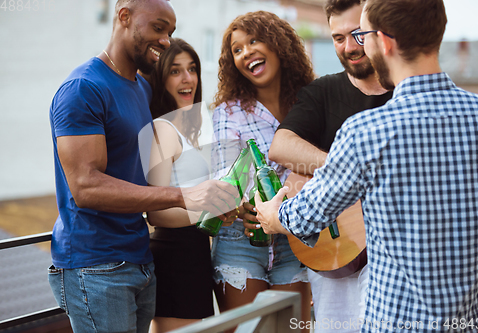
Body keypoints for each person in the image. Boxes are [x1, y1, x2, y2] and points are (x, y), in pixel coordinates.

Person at [256, 0, 478, 332]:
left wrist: (273, 216)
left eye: (364, 34)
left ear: (383, 41)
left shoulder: (366, 132)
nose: (358, 45)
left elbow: (307, 215)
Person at [47, 1, 238, 332]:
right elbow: (86, 187)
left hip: (140, 259)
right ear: (124, 16)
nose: (165, 40)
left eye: (171, 32)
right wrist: (186, 196)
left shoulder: (141, 87)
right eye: (158, 28)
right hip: (95, 265)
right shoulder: (83, 88)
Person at [268, 0, 392, 331]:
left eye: (357, 34)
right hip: (336, 251)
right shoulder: (322, 91)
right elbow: (280, 146)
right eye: (338, 38)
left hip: (396, 256)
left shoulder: (405, 93)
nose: (349, 47)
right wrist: (346, 171)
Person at [210, 10, 315, 332]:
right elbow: (225, 173)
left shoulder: (311, 101)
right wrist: (241, 204)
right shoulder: (228, 112)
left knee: (290, 330)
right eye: (237, 50)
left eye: (254, 41)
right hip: (241, 239)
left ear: (278, 44)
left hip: (296, 237)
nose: (246, 53)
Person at [145, 38, 216, 332]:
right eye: (175, 71)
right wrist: (210, 211)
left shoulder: (195, 126)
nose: (187, 78)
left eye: (192, 69)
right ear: (161, 79)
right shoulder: (163, 129)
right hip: (173, 256)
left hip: (196, 251)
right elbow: (156, 213)